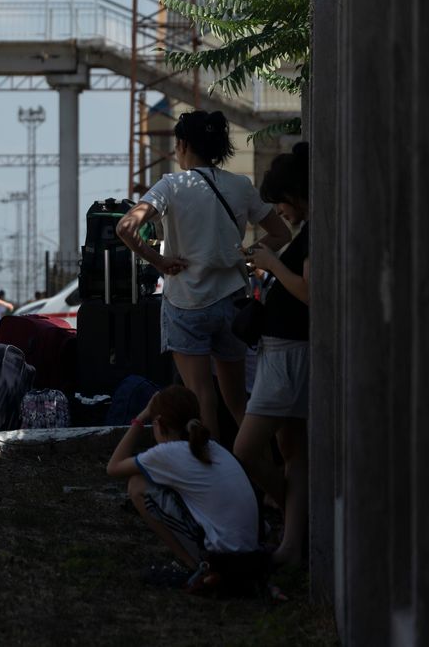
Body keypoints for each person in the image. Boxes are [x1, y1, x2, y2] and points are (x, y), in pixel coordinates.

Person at [116, 110, 290, 441]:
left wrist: (160, 261)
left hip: (186, 303)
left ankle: (209, 467)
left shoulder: (171, 185)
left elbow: (126, 226)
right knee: (237, 400)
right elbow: (281, 233)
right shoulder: (240, 186)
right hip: (232, 302)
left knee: (200, 395)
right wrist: (247, 257)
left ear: (181, 144)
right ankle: (259, 468)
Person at [232, 143, 310, 567]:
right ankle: (293, 545)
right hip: (285, 353)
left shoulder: (313, 235)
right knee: (293, 451)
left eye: (280, 202)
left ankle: (296, 515)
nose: (279, 212)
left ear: (295, 194)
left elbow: (311, 293)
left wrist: (272, 263)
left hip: (288, 359)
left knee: (246, 449)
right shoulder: (308, 233)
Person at [106, 386, 260, 586]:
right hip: (252, 552)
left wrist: (141, 417)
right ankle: (205, 565)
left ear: (159, 423)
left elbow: (113, 467)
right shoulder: (212, 446)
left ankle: (194, 565)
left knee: (137, 485)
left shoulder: (167, 453)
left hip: (224, 556)